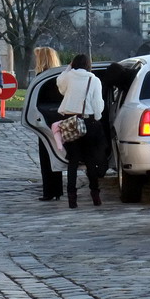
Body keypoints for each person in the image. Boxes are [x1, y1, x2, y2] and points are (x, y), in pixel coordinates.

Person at [56, 54, 105, 209]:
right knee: (90, 161)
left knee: (73, 161)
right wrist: (97, 117)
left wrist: (68, 67)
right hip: (88, 122)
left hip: (70, 122)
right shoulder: (94, 80)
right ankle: (95, 195)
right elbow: (98, 104)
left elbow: (60, 85)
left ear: (74, 63)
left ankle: (72, 198)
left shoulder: (69, 77)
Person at [33, 46, 63, 201]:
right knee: (56, 155)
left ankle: (49, 191)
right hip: (59, 119)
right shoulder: (59, 76)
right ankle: (58, 190)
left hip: (45, 121)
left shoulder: (41, 78)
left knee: (46, 156)